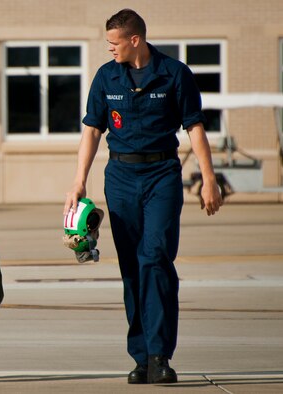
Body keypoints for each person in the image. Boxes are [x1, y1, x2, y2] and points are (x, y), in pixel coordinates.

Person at [64, 9, 222, 385]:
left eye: (114, 43)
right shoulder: (106, 76)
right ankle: (140, 358)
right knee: (132, 268)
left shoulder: (175, 73)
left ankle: (159, 354)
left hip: (162, 176)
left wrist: (210, 178)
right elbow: (91, 131)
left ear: (135, 40)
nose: (110, 49)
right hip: (119, 178)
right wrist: (78, 182)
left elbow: (194, 127)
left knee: (155, 258)